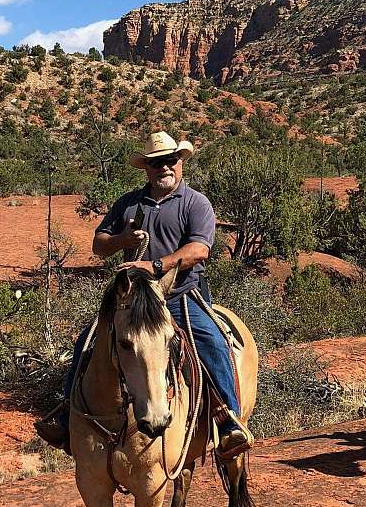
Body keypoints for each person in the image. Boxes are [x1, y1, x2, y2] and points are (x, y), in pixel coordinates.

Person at [35, 131, 250, 456]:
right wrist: (123, 239)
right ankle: (66, 414)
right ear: (146, 168)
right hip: (133, 300)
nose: (164, 167)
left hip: (180, 296)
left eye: (170, 161)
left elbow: (199, 250)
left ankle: (227, 419)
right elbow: (99, 244)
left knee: (212, 341)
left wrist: (156, 266)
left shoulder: (195, 203)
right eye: (156, 163)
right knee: (88, 340)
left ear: (180, 163)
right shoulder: (128, 203)